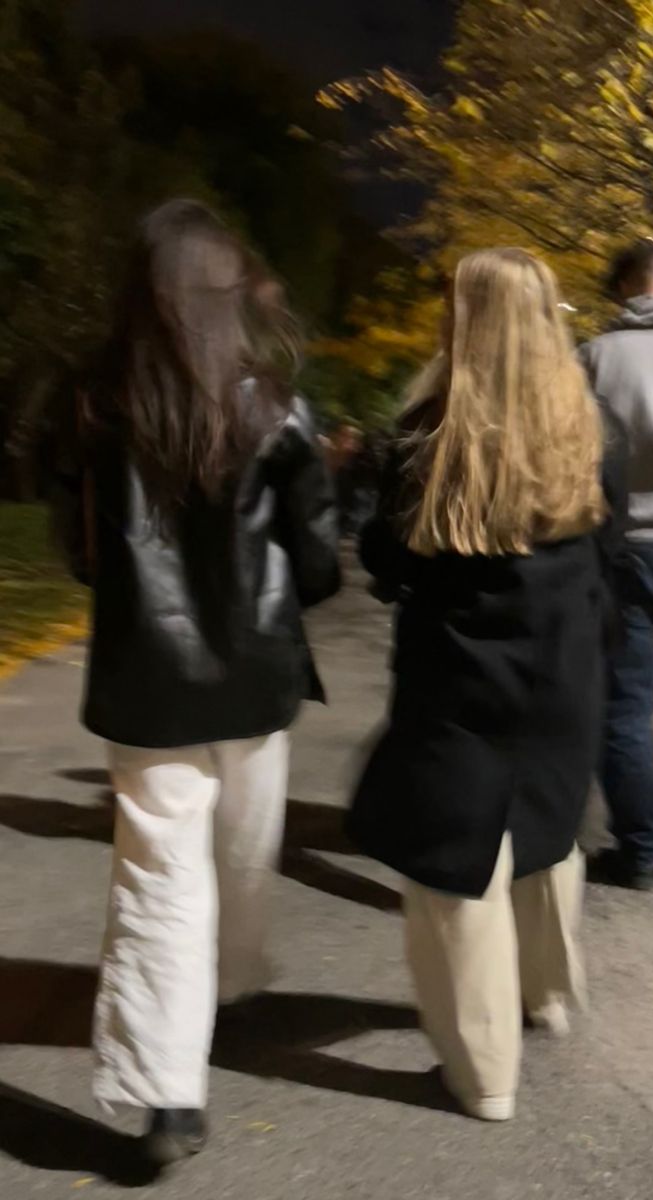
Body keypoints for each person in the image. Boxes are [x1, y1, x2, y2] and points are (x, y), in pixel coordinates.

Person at [53, 199, 340, 1166]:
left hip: (146, 679)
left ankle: (167, 1092)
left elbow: (84, 549)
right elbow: (316, 557)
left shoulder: (94, 399)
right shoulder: (275, 404)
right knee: (244, 846)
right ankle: (230, 987)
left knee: (157, 874)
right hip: (256, 675)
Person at [348, 248, 625, 1123]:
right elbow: (606, 547)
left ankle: (483, 1071)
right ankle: (546, 992)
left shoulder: (425, 436)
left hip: (461, 673)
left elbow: (389, 562)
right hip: (564, 661)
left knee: (452, 871)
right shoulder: (587, 424)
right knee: (549, 824)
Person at [581, 241, 653, 890]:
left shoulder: (594, 358)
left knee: (623, 704)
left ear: (625, 285)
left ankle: (637, 851)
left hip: (625, 547)